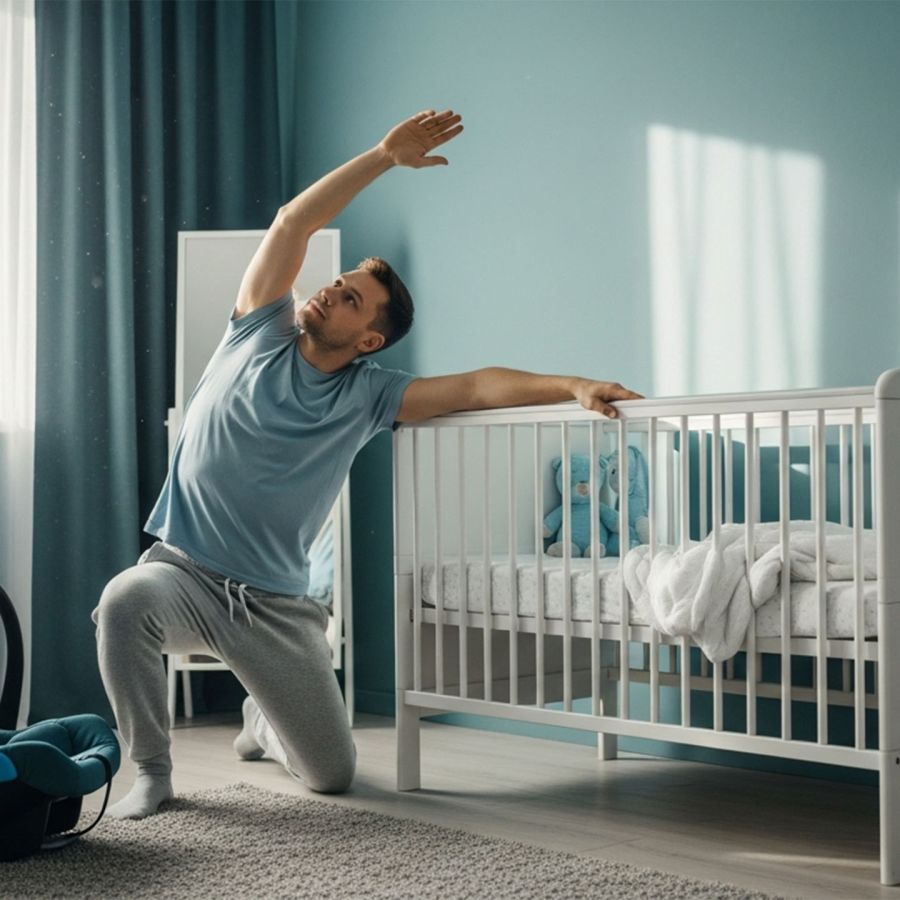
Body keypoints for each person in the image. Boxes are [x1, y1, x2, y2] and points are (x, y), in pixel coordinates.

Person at [92, 108, 643, 819]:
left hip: (274, 607)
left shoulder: (370, 396)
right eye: (338, 282)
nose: (329, 290)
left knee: (332, 777)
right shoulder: (258, 329)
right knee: (121, 600)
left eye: (350, 297)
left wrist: (571, 385)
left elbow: (476, 387)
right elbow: (292, 223)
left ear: (371, 337)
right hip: (183, 574)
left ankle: (265, 718)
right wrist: (384, 156)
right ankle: (154, 772)